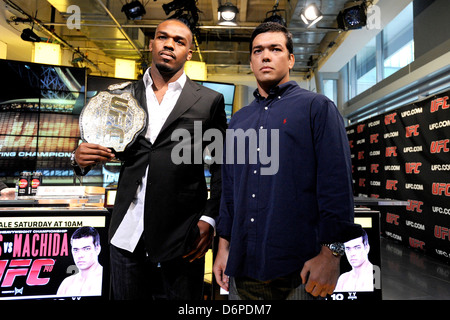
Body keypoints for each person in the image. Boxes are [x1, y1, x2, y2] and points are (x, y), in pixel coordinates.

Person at [72, 19, 227, 300]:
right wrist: (81, 159)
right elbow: (99, 146)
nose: (169, 44)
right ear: (151, 44)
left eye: (179, 41)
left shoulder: (209, 101)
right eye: (162, 37)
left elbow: (221, 167)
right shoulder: (121, 95)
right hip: (126, 234)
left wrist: (209, 217)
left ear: (189, 53)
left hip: (182, 236)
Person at [213, 22, 362, 300]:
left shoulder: (317, 108)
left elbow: (336, 186)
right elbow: (230, 192)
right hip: (243, 268)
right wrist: (223, 248)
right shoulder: (239, 121)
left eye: (275, 49)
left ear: (291, 59)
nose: (265, 56)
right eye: (258, 51)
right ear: (251, 60)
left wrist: (331, 256)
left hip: (301, 270)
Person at [57, 227, 103, 297]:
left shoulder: (107, 279)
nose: (80, 255)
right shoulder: (66, 283)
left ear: (97, 249)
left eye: (86, 249)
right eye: (76, 250)